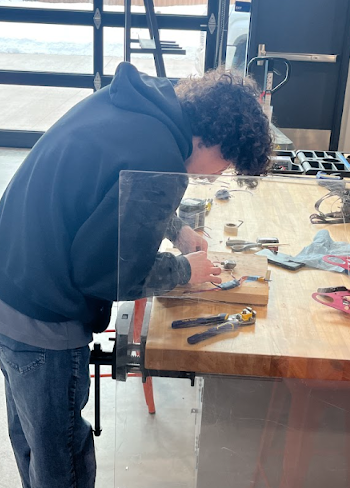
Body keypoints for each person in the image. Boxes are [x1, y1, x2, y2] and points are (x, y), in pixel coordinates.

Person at [0, 62, 272, 488]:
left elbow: (110, 187)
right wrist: (185, 270)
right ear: (214, 139)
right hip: (43, 313)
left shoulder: (145, 107)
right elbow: (109, 275)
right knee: (60, 458)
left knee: (32, 438)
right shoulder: (161, 155)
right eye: (227, 162)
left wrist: (175, 227)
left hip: (12, 273)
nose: (217, 174)